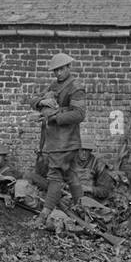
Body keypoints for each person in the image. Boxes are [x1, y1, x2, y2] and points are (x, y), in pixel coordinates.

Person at [31, 53, 86, 229]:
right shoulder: (54, 85)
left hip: (66, 140)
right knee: (70, 175)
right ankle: (82, 210)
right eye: (56, 70)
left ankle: (43, 215)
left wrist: (53, 116)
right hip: (56, 140)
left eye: (62, 69)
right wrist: (42, 102)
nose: (58, 73)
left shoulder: (75, 87)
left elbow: (79, 114)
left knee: (55, 177)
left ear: (69, 67)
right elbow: (33, 100)